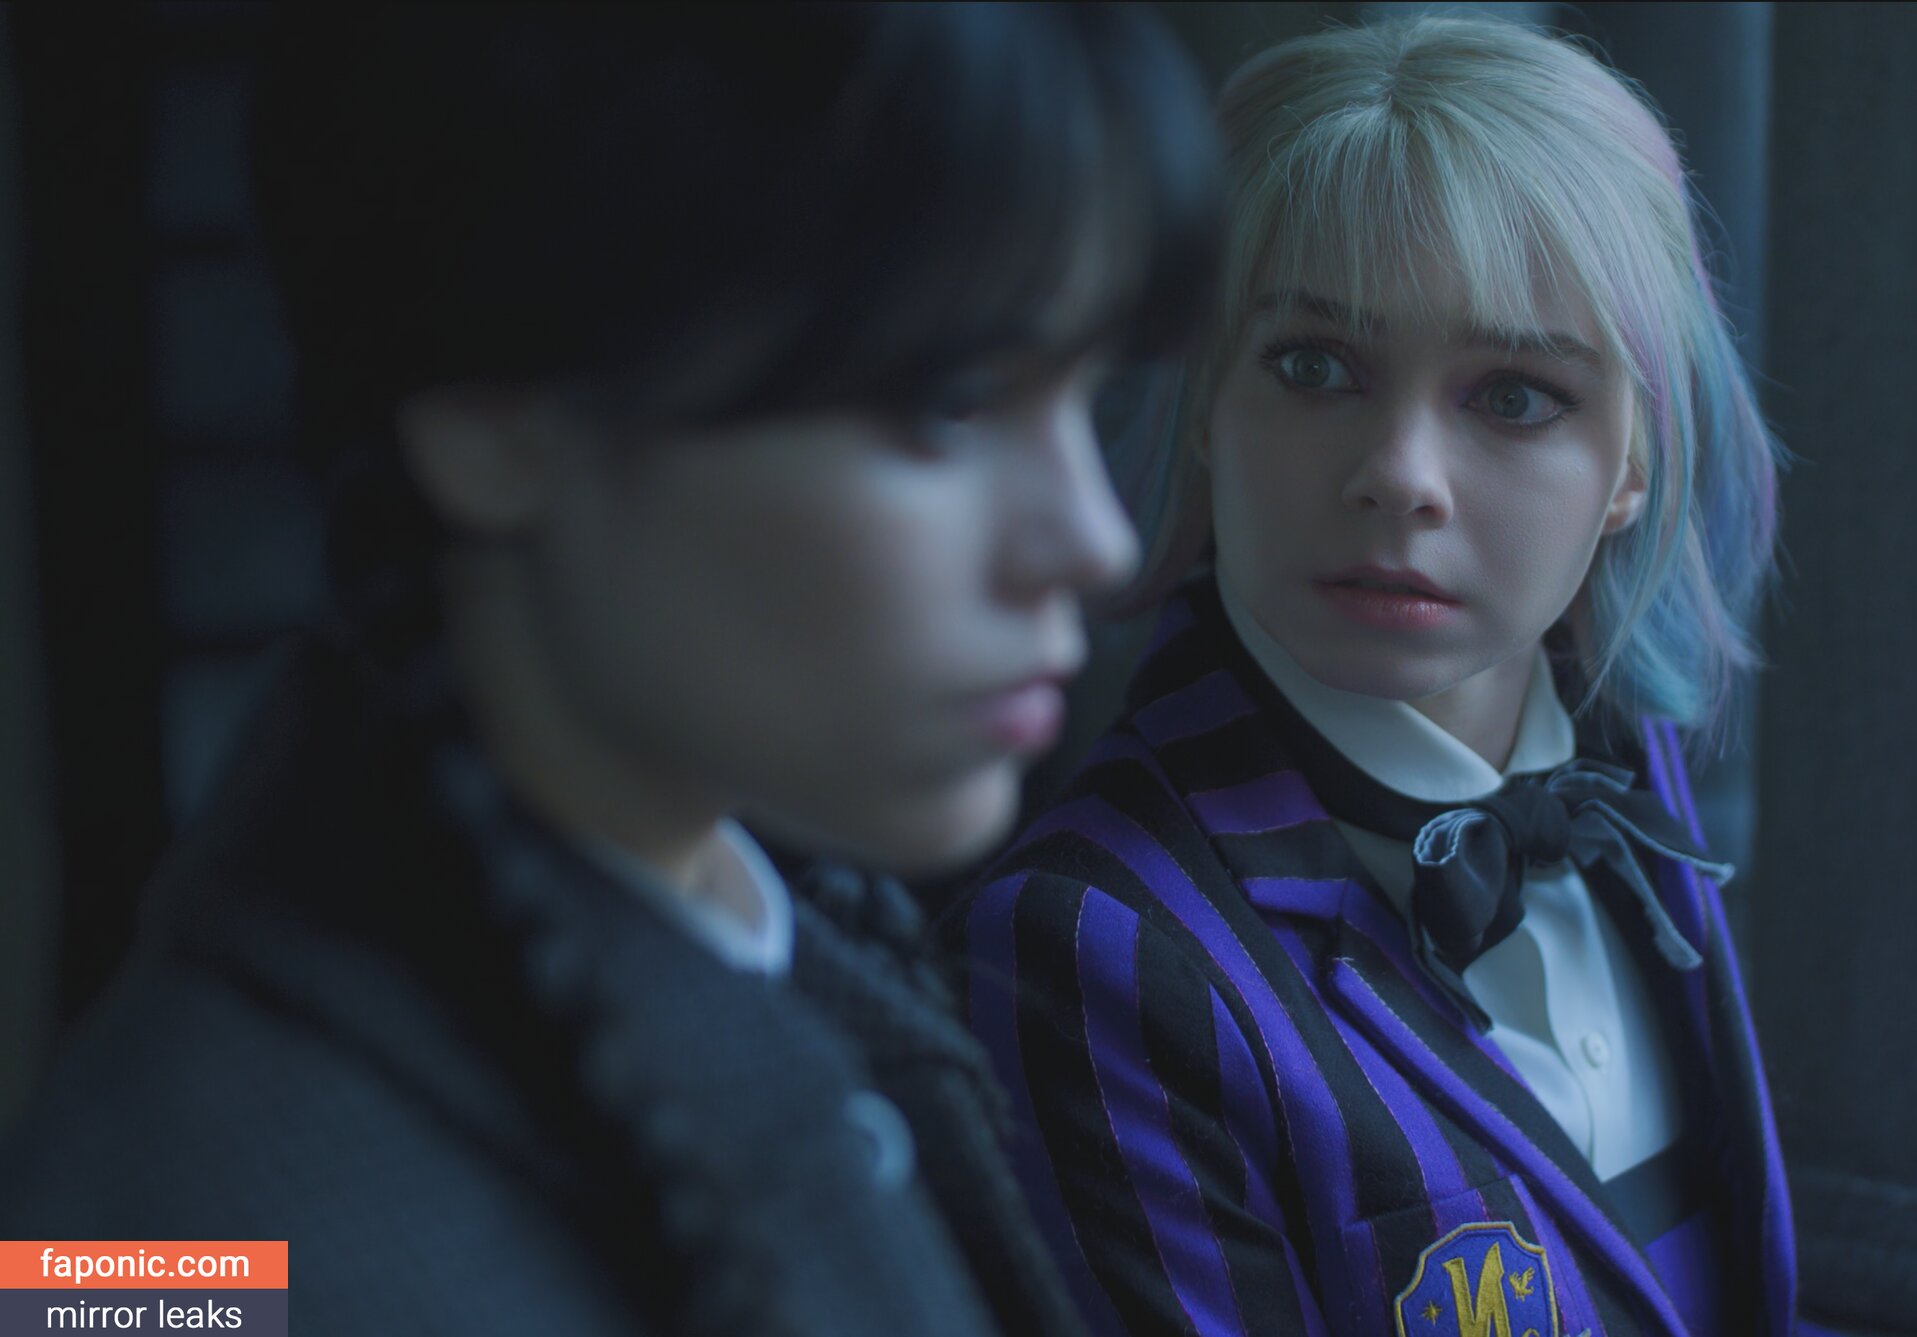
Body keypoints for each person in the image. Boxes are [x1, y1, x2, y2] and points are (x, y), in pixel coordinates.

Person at [0, 7, 1223, 1335]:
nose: (1095, 539)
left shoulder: (804, 954)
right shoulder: (162, 1254)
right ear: (498, 419)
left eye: (1090, 395)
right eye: (951, 403)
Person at [948, 14, 1816, 1335]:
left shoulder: (1622, 758)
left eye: (1513, 395)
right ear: (1206, 402)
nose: (1400, 476)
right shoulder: (1093, 945)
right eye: (1314, 366)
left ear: (1633, 465)